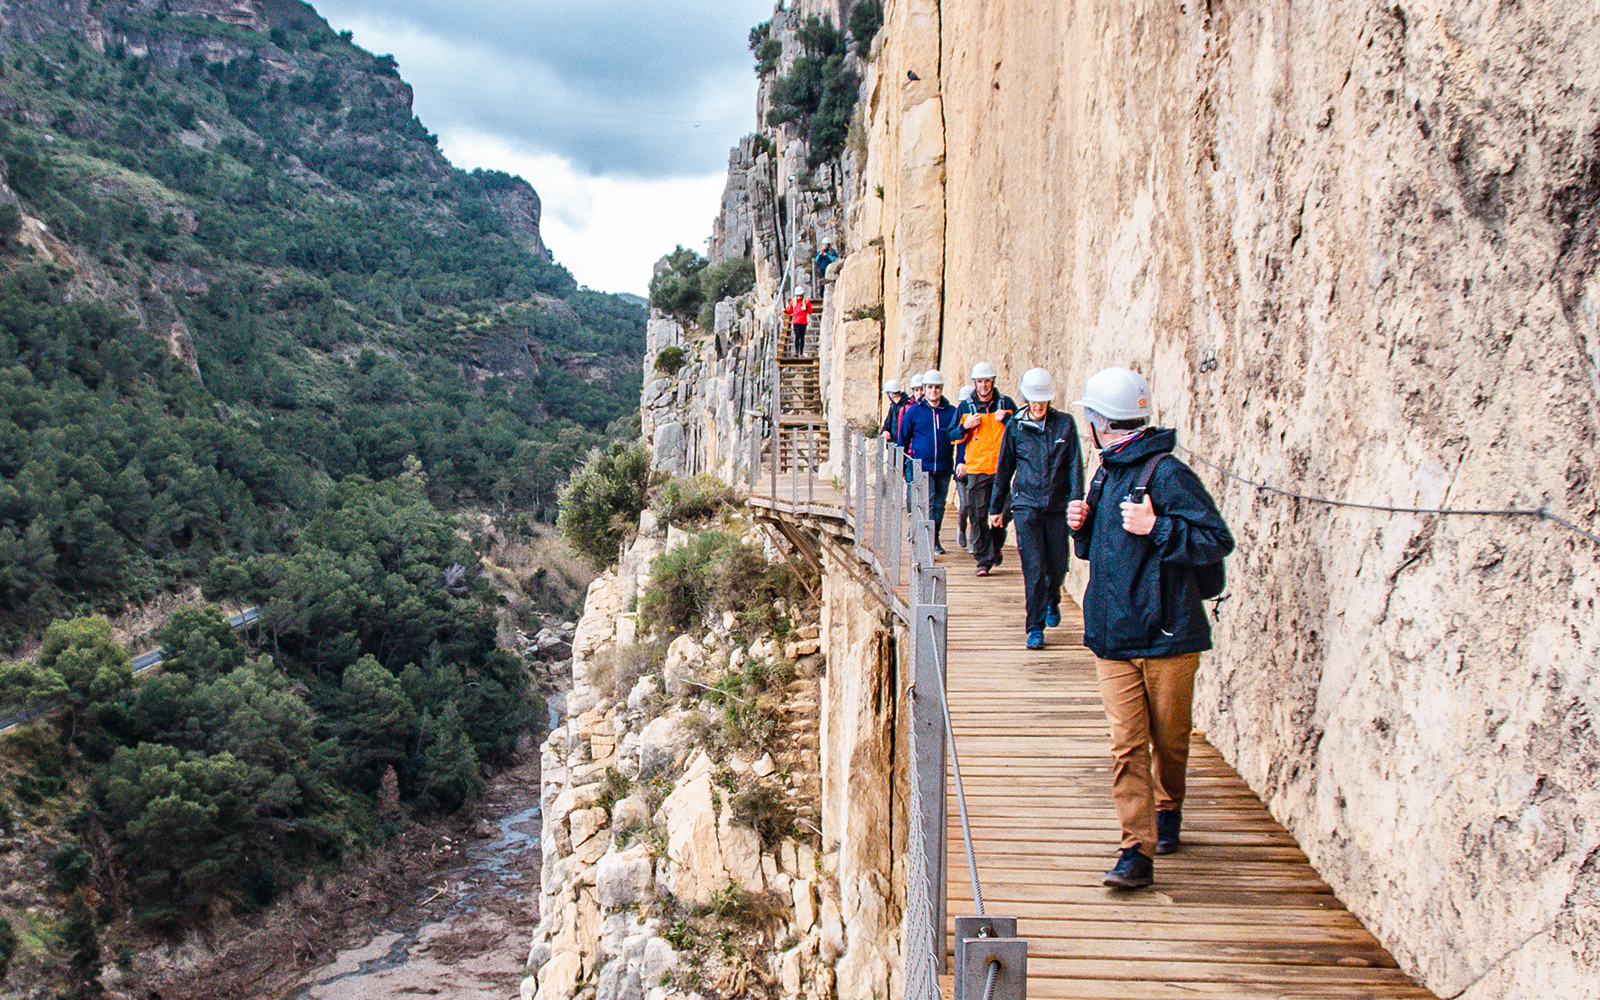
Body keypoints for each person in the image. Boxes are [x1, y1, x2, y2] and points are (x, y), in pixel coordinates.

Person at [1066, 367, 1234, 890]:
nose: (1087, 426)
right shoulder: (1105, 472)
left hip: (1166, 636)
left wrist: (1158, 526)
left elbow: (1216, 540)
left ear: (1104, 424)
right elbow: (1100, 551)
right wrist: (1082, 525)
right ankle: (1135, 849)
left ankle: (1169, 809)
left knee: (1171, 739)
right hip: (1114, 635)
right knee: (1126, 745)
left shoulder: (1165, 474)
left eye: (1090, 417)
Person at [988, 368, 1081, 650]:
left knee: (1058, 565)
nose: (1038, 406)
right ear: (1026, 398)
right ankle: (1035, 627)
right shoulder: (1015, 427)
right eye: (1034, 400)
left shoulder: (1065, 424)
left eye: (1043, 400)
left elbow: (1075, 465)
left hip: (1057, 505)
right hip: (1026, 505)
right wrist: (997, 508)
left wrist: (1077, 501)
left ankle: (1053, 598)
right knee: (1035, 568)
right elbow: (1004, 469)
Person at [952, 361, 1018, 576]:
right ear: (974, 383)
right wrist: (965, 426)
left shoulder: (1006, 404)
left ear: (993, 382)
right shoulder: (965, 407)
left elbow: (1022, 430)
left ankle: (996, 548)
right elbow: (951, 435)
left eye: (987, 381)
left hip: (1002, 470)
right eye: (980, 381)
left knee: (1002, 514)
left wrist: (1007, 418)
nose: (983, 385)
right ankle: (983, 560)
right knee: (978, 515)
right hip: (977, 468)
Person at [896, 369, 960, 553]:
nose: (934, 391)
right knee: (929, 503)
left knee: (940, 506)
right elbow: (903, 439)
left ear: (941, 389)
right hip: (922, 466)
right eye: (930, 387)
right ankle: (927, 541)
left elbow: (957, 436)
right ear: (924, 389)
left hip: (944, 466)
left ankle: (934, 538)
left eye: (937, 387)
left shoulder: (951, 412)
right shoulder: (914, 412)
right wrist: (903, 465)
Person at [953, 384, 975, 549]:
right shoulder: (961, 422)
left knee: (977, 506)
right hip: (963, 468)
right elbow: (959, 443)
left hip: (977, 468)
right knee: (965, 504)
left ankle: (975, 538)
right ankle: (961, 528)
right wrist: (961, 462)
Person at [784, 286, 813, 356]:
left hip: (803, 321)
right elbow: (789, 311)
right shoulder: (793, 302)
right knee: (797, 336)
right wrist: (785, 311)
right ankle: (796, 351)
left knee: (802, 337)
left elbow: (810, 311)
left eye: (800, 295)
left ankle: (801, 352)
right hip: (796, 321)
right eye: (798, 296)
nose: (799, 297)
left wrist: (805, 309)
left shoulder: (806, 301)